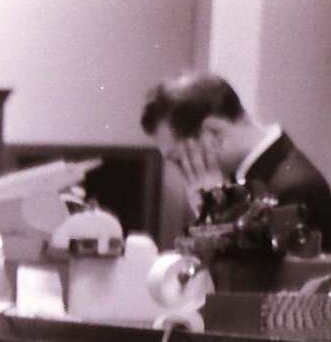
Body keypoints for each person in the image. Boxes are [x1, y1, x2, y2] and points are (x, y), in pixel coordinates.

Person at [139, 72, 331, 244]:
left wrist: (215, 211)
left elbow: (251, 279)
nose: (183, 174)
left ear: (214, 133)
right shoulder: (242, 179)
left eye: (179, 160)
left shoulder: (295, 190)